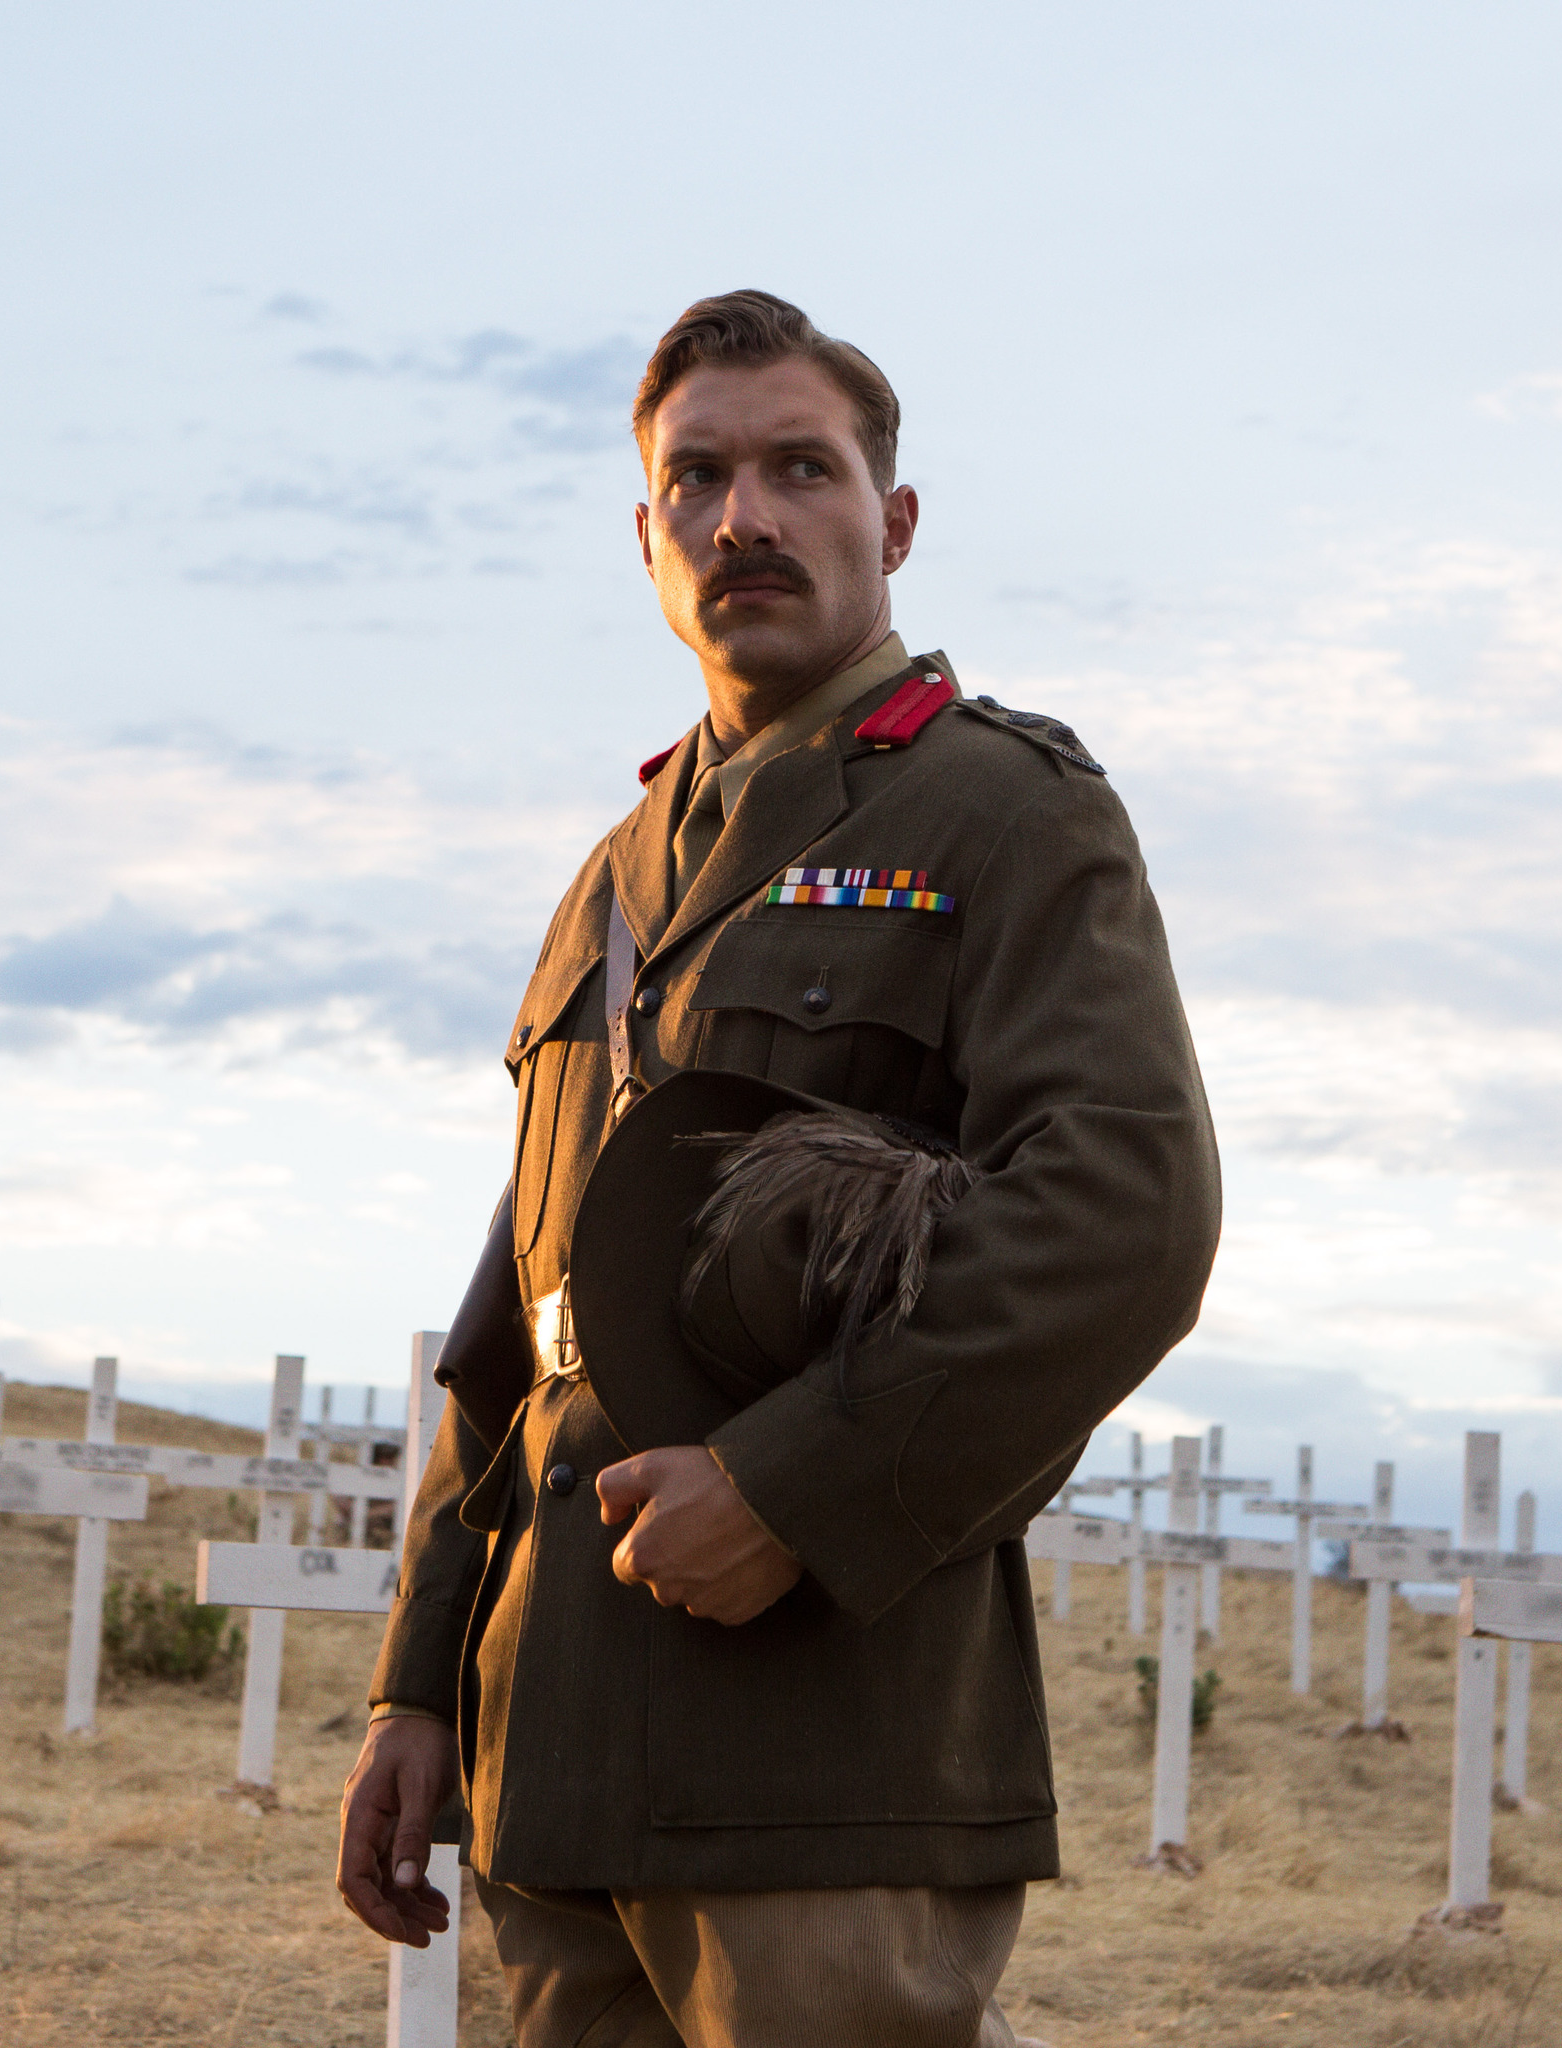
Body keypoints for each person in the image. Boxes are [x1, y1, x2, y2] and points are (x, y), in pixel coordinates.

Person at [336, 289, 1221, 2048]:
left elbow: (1123, 1211)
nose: (744, 515)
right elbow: (525, 1303)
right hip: (562, 1732)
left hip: (826, 1739)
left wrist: (791, 1491)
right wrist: (421, 1677)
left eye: (799, 469)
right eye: (699, 478)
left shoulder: (1003, 812)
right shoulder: (613, 873)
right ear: (647, 536)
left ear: (890, 525)